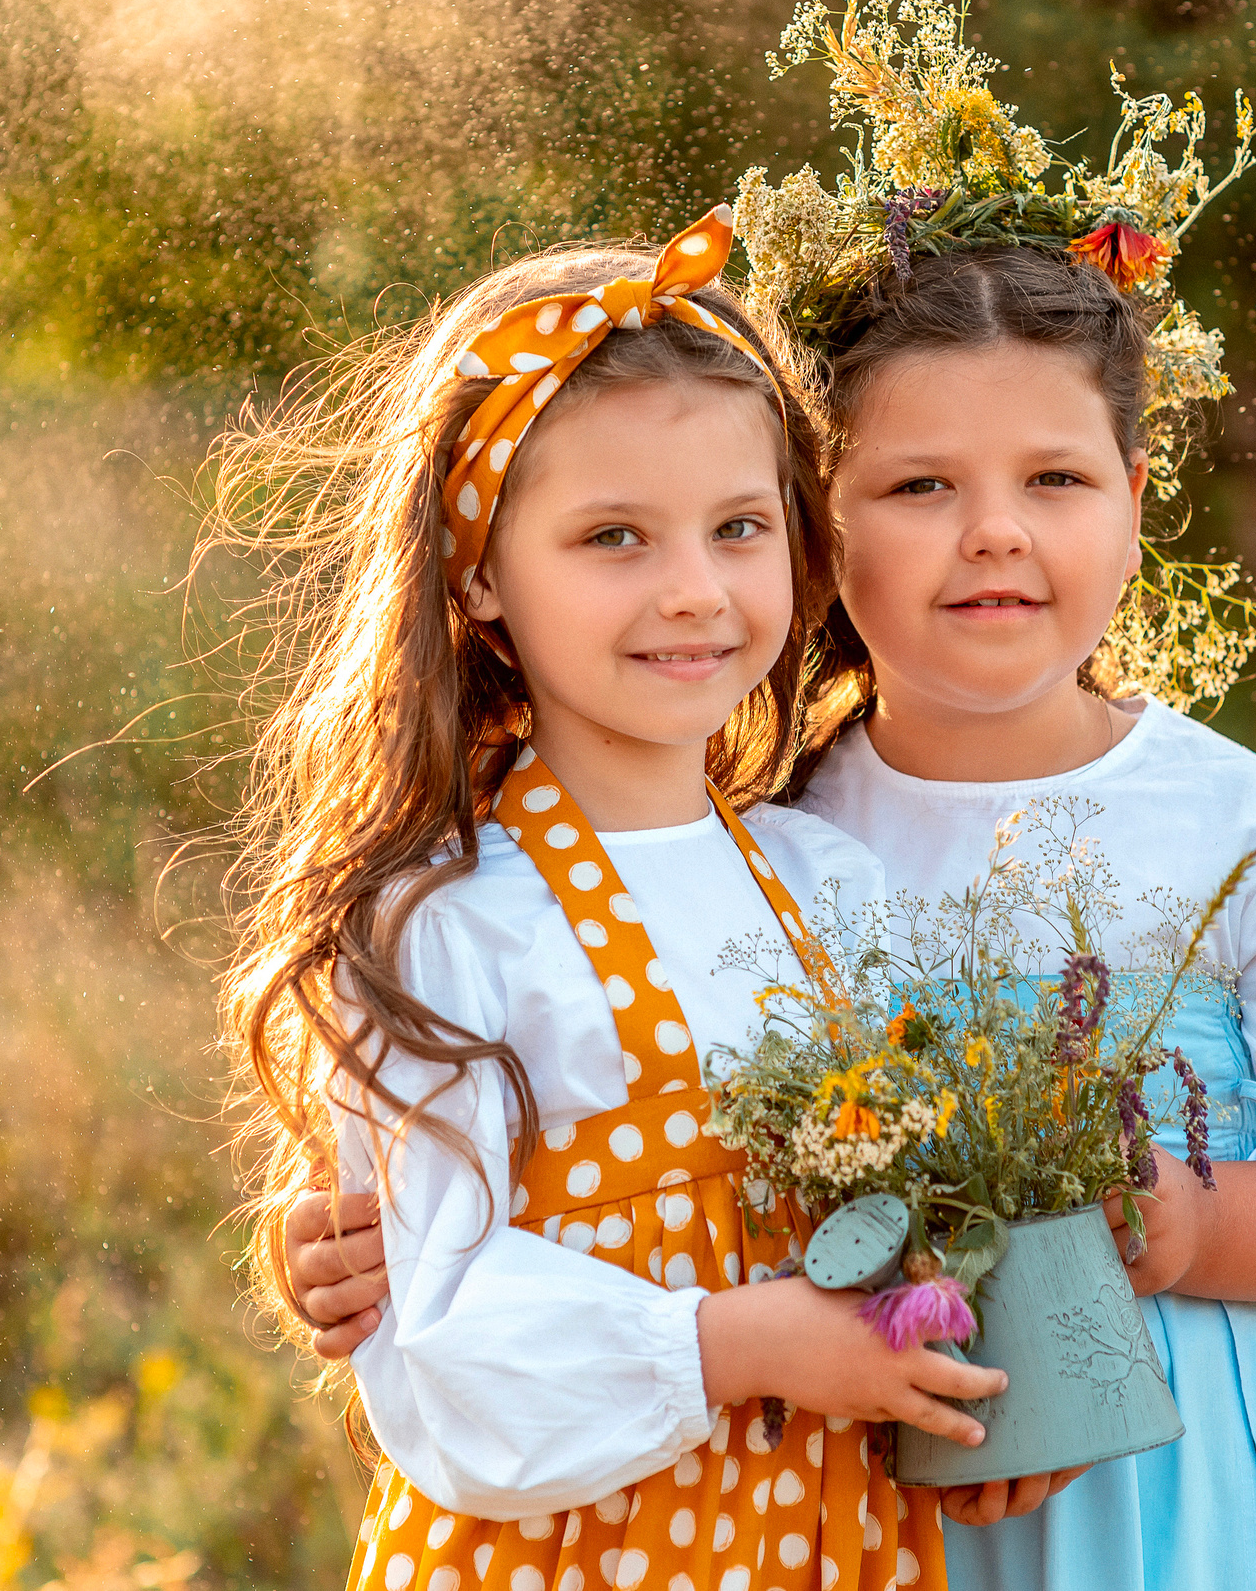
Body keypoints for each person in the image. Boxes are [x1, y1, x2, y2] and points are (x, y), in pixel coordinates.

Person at [272, 0, 1256, 1583]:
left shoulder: (1254, 833)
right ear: (823, 527)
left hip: (1201, 1499)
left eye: (1055, 481)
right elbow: (561, 1164)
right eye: (914, 488)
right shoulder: (793, 842)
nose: (991, 541)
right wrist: (359, 1230)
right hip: (876, 1504)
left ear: (1136, 499)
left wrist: (1201, 1223)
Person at [219, 207, 1003, 1591]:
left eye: (738, 526)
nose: (694, 591)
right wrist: (739, 1341)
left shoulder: (830, 881)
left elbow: (918, 1200)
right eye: (615, 537)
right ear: (479, 579)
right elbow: (447, 1341)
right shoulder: (454, 923)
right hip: (582, 1550)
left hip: (830, 1537)